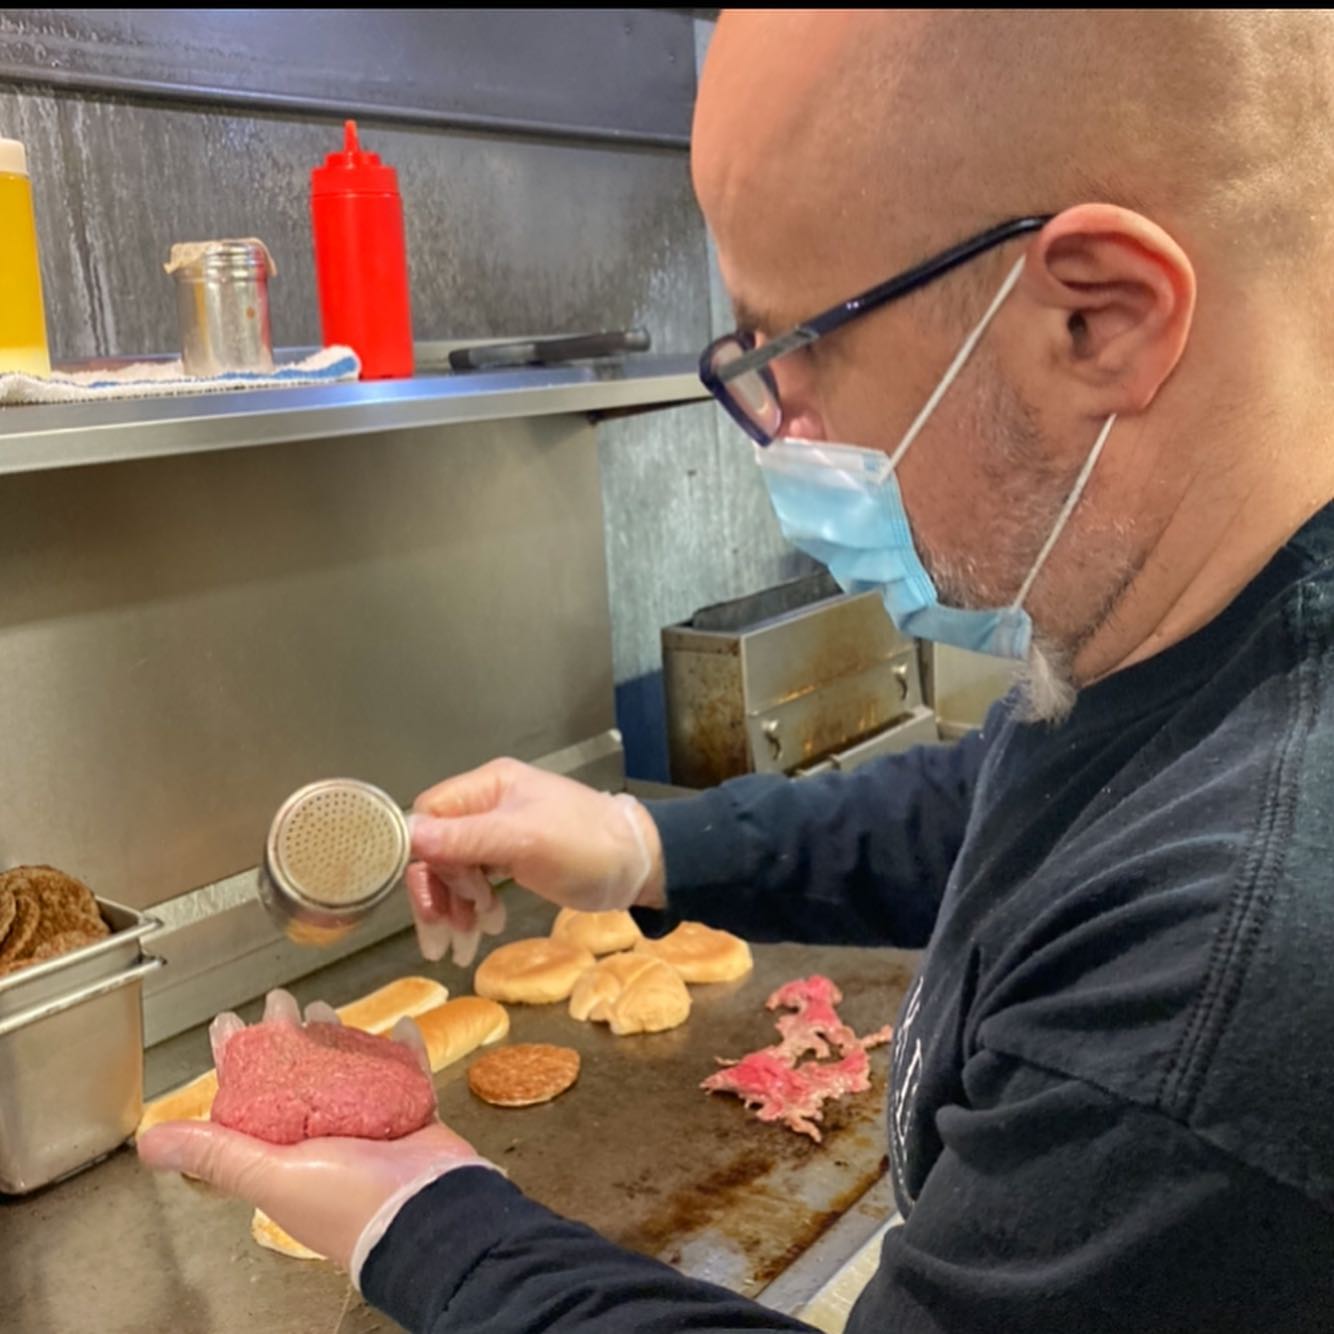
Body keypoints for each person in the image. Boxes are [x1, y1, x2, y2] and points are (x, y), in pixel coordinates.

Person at [141, 9, 1334, 1331]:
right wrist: (640, 846)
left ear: (1094, 320)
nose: (782, 434)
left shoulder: (1231, 979)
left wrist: (420, 1219)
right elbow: (1007, 810)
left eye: (795, 348)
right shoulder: (1214, 636)